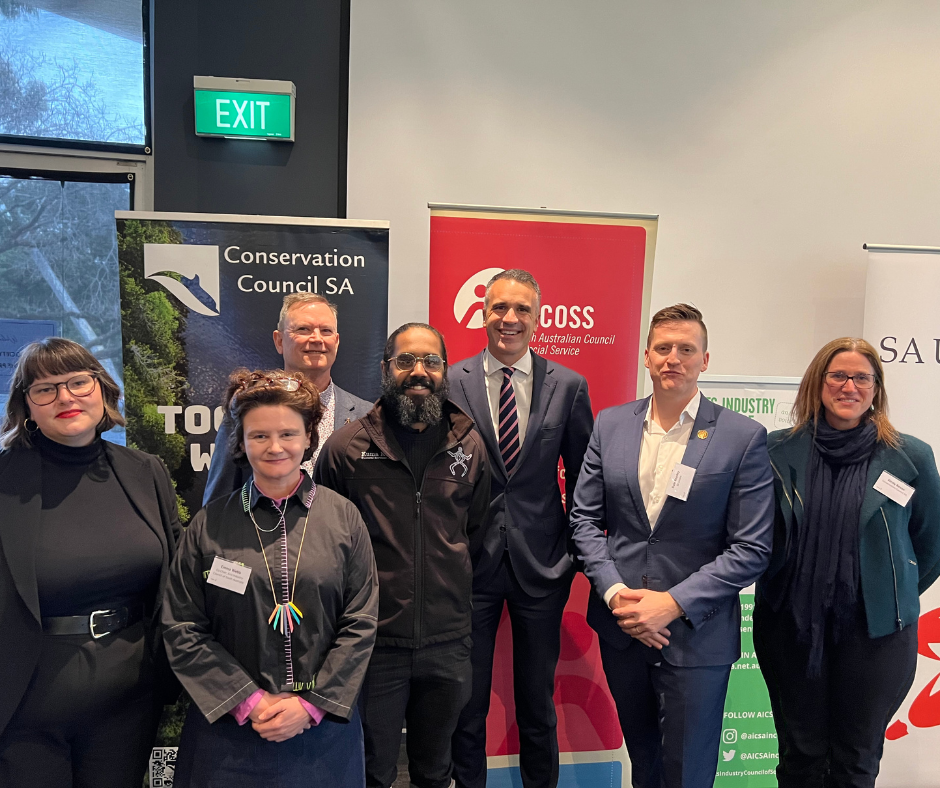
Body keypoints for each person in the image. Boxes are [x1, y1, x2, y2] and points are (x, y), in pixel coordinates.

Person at [569, 303, 774, 788]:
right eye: (663, 348)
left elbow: (751, 548)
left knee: (689, 772)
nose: (673, 358)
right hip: (624, 630)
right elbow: (582, 520)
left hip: (696, 637)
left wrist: (672, 604)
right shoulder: (611, 425)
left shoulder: (742, 438)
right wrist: (618, 596)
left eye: (686, 349)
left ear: (705, 360)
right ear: (646, 356)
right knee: (645, 762)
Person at [163, 368, 378, 787]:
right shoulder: (210, 523)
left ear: (308, 438)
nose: (275, 447)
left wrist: (311, 706)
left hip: (322, 734)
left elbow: (361, 622)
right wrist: (248, 701)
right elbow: (182, 625)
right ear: (241, 442)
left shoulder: (344, 518)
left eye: (288, 434)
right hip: (230, 733)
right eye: (259, 435)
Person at [754, 338, 940, 788]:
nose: (849, 386)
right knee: (799, 756)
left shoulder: (911, 456)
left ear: (876, 388)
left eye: (862, 377)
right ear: (818, 383)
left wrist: (883, 589)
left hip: (876, 635)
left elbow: (929, 546)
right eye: (838, 375)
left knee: (856, 761)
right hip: (790, 628)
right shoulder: (774, 451)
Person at [315, 323, 491, 788]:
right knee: (371, 770)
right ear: (385, 369)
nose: (419, 372)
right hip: (373, 644)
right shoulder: (345, 449)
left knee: (435, 770)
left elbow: (475, 529)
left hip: (448, 642)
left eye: (431, 361)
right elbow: (327, 546)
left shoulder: (469, 445)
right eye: (406, 361)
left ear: (445, 371)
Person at [0, 337, 181, 788]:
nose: (65, 397)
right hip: (24, 706)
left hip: (128, 703)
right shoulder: (3, 479)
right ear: (26, 405)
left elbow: (176, 578)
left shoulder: (145, 471)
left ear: (102, 389)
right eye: (45, 389)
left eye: (78, 382)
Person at [449, 269, 594, 788]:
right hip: (468, 567)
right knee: (465, 708)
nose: (509, 319)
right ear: (483, 312)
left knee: (538, 706)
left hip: (543, 567)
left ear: (538, 316)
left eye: (522, 310)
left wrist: (575, 555)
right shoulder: (450, 382)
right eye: (499, 308)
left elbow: (584, 480)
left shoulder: (569, 386)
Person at [204, 292, 372, 504]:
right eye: (304, 329)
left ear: (336, 342)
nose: (317, 339)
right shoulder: (246, 408)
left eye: (326, 331)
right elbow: (218, 503)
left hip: (341, 535)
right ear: (279, 340)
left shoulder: (366, 416)